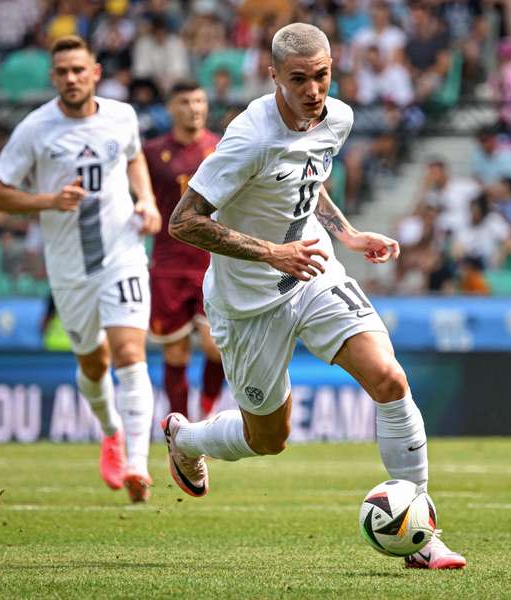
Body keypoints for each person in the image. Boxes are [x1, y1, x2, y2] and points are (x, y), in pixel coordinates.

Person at [162, 23, 466, 570]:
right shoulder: (248, 137)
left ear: (334, 67)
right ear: (273, 74)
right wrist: (271, 253)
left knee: (390, 380)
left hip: (314, 270)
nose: (313, 90)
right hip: (248, 301)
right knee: (267, 439)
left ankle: (423, 537)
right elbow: (183, 223)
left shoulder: (340, 118)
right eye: (298, 79)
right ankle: (187, 439)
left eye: (322, 75)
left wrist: (347, 235)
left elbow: (309, 176)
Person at [0, 35, 162, 503]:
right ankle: (111, 432)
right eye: (62, 72)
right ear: (53, 78)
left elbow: (134, 157)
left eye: (78, 70)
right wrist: (49, 200)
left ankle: (137, 465)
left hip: (122, 253)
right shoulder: (34, 129)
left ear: (95, 73)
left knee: (130, 353)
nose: (71, 78)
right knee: (94, 361)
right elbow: (1, 195)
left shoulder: (122, 116)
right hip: (68, 268)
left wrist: (146, 200)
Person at [144, 81, 225, 419]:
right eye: (185, 101)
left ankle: (206, 414)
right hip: (168, 263)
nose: (193, 108)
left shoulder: (222, 148)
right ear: (170, 108)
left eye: (199, 100)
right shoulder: (150, 153)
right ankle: (179, 431)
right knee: (175, 353)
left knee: (216, 347)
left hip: (212, 261)